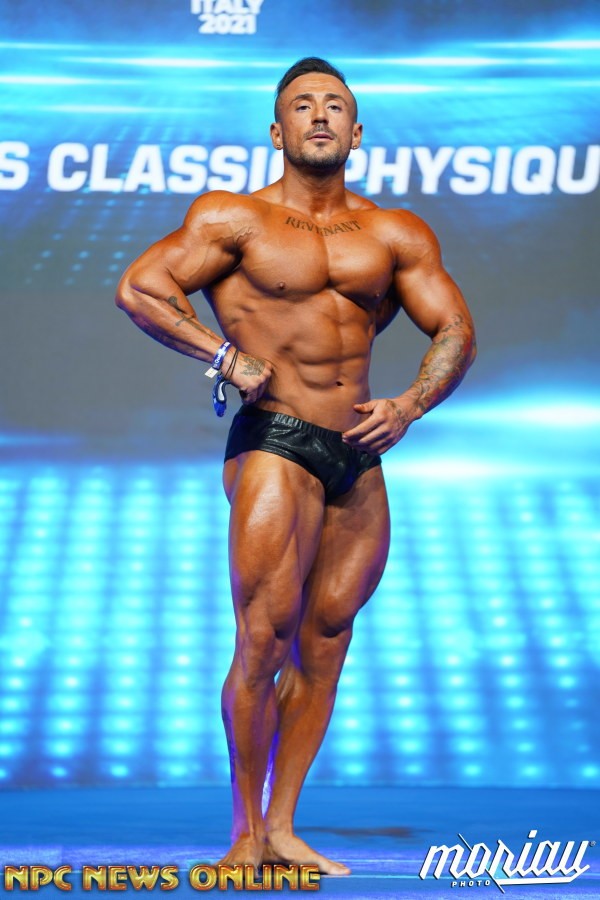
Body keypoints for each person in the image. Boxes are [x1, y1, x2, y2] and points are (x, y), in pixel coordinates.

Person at [116, 56, 476, 875]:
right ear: (277, 132)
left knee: (327, 638)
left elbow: (455, 329)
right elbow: (140, 289)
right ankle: (244, 833)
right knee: (265, 639)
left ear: (357, 130)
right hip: (274, 437)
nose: (320, 115)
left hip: (357, 450)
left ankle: (282, 826)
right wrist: (223, 355)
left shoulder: (397, 233)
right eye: (303, 106)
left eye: (335, 105)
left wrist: (411, 404)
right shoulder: (234, 218)